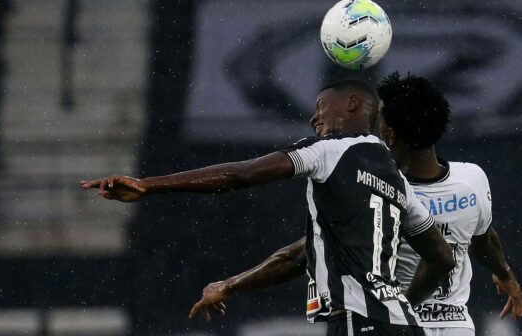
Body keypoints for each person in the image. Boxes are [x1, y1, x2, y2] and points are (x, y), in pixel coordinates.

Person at [81, 78, 455, 335]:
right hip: (405, 325)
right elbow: (442, 258)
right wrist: (396, 303)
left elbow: (237, 176)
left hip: (358, 324)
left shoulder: (326, 151)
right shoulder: (397, 180)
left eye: (320, 108)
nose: (314, 118)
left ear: (352, 104)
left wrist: (149, 185)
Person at [188, 73, 522, 336]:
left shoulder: (379, 190)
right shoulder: (473, 179)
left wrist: (231, 285)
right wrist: (505, 273)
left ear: (389, 135)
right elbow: (482, 237)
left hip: (392, 325)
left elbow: (299, 255)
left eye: (379, 124)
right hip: (457, 328)